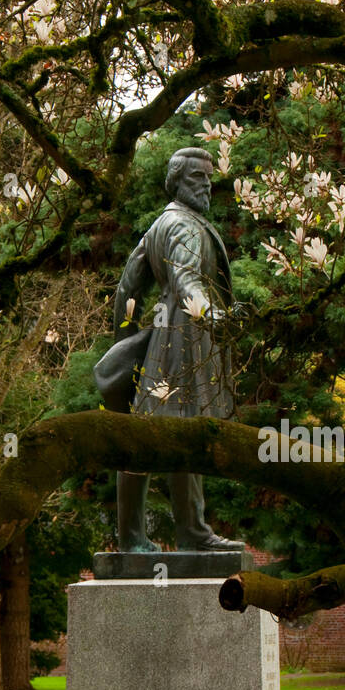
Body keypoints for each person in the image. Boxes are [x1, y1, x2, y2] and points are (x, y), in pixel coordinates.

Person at [93, 145, 244, 554]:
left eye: (210, 179)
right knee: (174, 432)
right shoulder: (184, 228)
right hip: (184, 340)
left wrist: (124, 340)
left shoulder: (159, 225)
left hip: (164, 339)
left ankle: (143, 537)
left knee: (146, 434)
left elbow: (127, 286)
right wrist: (212, 316)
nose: (208, 187)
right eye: (198, 179)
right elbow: (186, 281)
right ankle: (184, 534)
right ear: (176, 182)